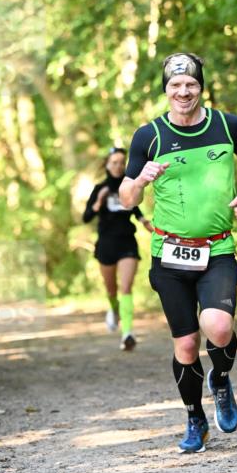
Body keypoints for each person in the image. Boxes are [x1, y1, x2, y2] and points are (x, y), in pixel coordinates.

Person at [120, 52, 237, 454]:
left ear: (201, 87)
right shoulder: (149, 136)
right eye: (175, 86)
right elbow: (126, 195)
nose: (184, 92)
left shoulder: (227, 125)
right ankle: (194, 418)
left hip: (217, 248)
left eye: (191, 85)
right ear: (166, 90)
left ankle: (220, 377)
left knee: (218, 328)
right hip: (169, 254)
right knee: (185, 346)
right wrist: (140, 180)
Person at [83, 146, 154, 350]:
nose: (118, 166)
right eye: (114, 162)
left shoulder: (128, 187)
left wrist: (146, 223)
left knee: (125, 288)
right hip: (106, 244)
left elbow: (136, 209)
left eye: (122, 162)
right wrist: (98, 201)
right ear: (107, 165)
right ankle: (114, 309)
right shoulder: (100, 188)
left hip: (127, 243)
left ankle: (127, 333)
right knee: (112, 290)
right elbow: (86, 216)